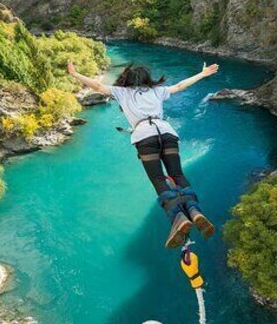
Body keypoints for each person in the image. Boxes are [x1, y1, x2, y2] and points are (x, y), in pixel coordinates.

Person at [67, 60, 220, 248]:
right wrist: (202, 74)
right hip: (166, 132)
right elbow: (180, 86)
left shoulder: (122, 92)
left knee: (158, 179)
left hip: (145, 136)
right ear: (147, 78)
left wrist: (75, 74)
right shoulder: (157, 91)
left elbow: (98, 86)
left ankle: (178, 217)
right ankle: (195, 211)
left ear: (127, 80)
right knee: (177, 175)